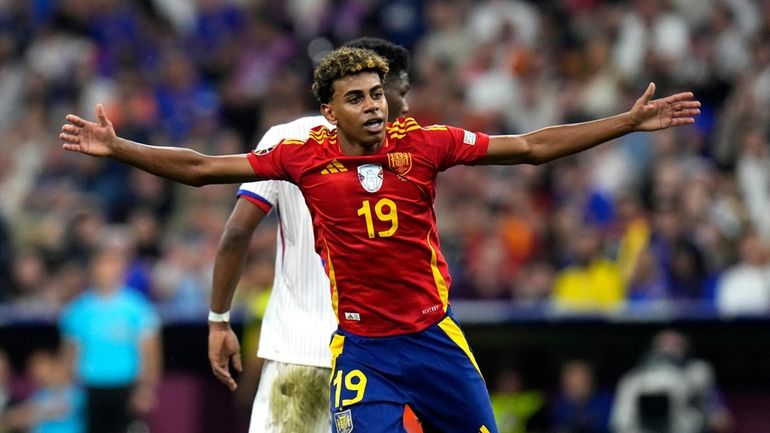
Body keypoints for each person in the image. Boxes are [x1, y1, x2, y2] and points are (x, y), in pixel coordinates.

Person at [59, 47, 700, 433]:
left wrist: (626, 122)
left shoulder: (424, 142)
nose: (374, 106)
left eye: (377, 94)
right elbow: (200, 167)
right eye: (356, 97)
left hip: (435, 338)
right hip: (364, 353)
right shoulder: (299, 156)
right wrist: (118, 149)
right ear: (329, 111)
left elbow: (531, 148)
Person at [209, 37, 412, 433]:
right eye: (400, 92)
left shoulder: (288, 139)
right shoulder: (408, 152)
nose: (404, 104)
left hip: (299, 354)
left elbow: (236, 233)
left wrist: (219, 319)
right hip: (375, 360)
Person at [59, 232, 162, 433]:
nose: (106, 270)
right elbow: (69, 355)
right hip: (91, 389)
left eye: (112, 263)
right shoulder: (78, 310)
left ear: (122, 269)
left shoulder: (137, 308)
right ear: (92, 269)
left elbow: (150, 353)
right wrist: (66, 392)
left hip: (126, 388)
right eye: (102, 264)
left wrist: (145, 390)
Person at [0, 348, 85, 433]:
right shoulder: (41, 393)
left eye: (40, 368)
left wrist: (30, 414)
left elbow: (61, 409)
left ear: (55, 365)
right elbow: (20, 415)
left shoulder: (76, 389)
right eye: (33, 371)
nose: (36, 375)